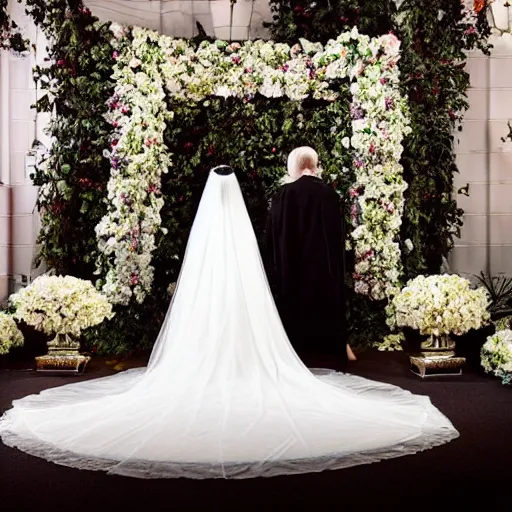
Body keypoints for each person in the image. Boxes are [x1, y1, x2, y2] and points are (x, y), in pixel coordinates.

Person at [0, 166, 459, 480]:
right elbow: (255, 271)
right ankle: (243, 364)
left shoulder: (206, 239)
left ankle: (208, 364)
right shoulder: (241, 233)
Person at [264, 147, 355, 368]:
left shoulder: (283, 195)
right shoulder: (330, 195)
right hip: (324, 274)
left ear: (293, 167)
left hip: (291, 273)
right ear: (315, 166)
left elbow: (271, 237)